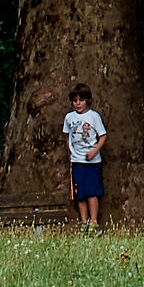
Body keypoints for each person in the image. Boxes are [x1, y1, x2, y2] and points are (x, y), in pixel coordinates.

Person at [64, 82, 107, 229]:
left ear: (87, 100)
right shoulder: (69, 118)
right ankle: (84, 223)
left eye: (81, 100)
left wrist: (94, 151)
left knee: (92, 192)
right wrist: (71, 152)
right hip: (76, 161)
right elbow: (67, 136)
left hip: (93, 161)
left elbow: (103, 136)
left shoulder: (94, 116)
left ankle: (94, 221)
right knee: (79, 193)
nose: (78, 104)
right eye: (75, 101)